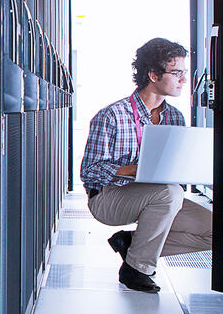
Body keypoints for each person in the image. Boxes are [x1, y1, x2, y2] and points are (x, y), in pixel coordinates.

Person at [79, 38, 214, 293]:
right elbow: (89, 172)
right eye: (177, 73)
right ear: (153, 74)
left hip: (159, 196)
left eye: (184, 73)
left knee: (216, 233)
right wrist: (138, 168)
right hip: (110, 198)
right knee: (170, 192)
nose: (183, 80)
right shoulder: (112, 115)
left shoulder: (175, 116)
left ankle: (131, 244)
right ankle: (136, 269)